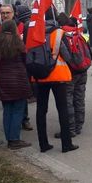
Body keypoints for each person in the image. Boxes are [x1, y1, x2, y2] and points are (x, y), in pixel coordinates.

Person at [34, 8, 79, 153]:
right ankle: (66, 144)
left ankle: (43, 144)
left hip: (39, 75)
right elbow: (66, 55)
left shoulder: (34, 32)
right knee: (62, 109)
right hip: (57, 76)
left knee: (41, 110)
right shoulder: (59, 32)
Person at [0, 20, 32, 149]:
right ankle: (14, 140)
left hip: (3, 81)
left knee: (7, 110)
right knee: (17, 111)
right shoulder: (18, 42)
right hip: (19, 80)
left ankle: (9, 138)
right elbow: (26, 60)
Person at [55, 14, 91, 138]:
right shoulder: (78, 34)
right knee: (79, 98)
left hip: (69, 72)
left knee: (68, 101)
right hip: (82, 71)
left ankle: (70, 129)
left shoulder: (61, 35)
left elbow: (65, 55)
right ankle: (79, 125)